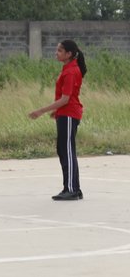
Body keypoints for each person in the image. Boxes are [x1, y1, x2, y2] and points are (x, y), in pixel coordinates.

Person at [29, 40, 87, 201]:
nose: (57, 53)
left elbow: (66, 99)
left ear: (68, 54)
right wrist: (56, 111)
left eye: (60, 51)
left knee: (67, 151)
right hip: (65, 114)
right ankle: (73, 188)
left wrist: (41, 111)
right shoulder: (68, 69)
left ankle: (71, 189)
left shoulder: (71, 71)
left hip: (69, 114)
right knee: (63, 150)